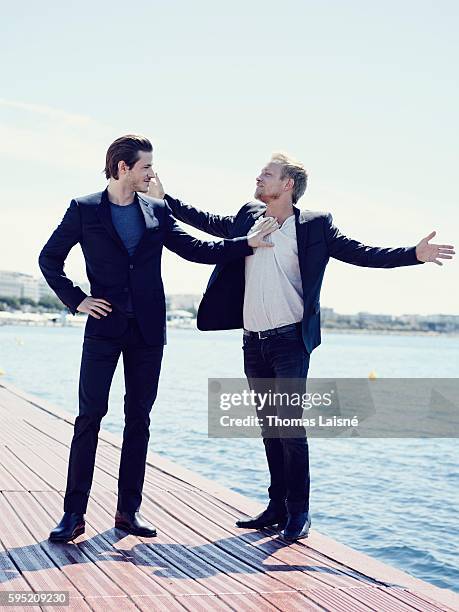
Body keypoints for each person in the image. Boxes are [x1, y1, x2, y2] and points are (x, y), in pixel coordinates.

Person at [149, 152, 455, 542]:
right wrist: (166, 199)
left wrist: (413, 255)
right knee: (269, 428)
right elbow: (208, 222)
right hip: (253, 341)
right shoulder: (249, 217)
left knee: (290, 429)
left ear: (288, 184)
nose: (259, 177)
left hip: (290, 341)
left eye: (268, 174)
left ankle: (298, 512)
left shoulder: (314, 226)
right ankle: (276, 506)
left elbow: (362, 254)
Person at [38, 135, 277, 543]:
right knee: (89, 417)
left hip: (148, 330)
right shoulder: (85, 209)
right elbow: (49, 258)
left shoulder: (156, 210)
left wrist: (246, 244)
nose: (153, 173)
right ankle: (73, 513)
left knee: (139, 420)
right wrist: (77, 300)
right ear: (122, 169)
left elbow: (195, 248)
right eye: (146, 167)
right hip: (104, 328)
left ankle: (128, 511)